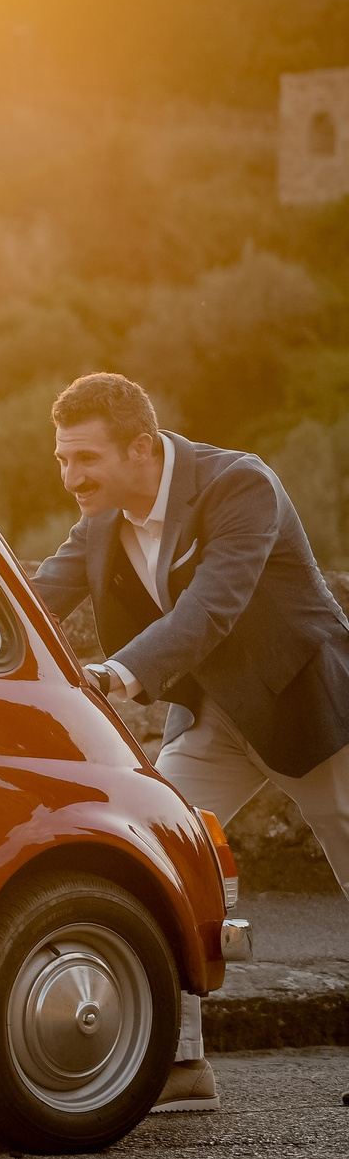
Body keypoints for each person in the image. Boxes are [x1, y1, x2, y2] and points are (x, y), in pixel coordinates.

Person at [29, 372, 349, 1114]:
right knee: (156, 856)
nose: (72, 477)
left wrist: (119, 675)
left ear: (141, 447)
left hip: (306, 704)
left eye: (86, 458)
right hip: (213, 718)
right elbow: (38, 600)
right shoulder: (101, 521)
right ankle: (180, 1065)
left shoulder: (241, 486)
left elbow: (211, 608)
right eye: (63, 459)